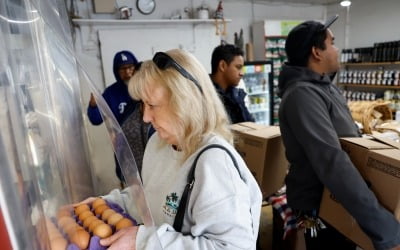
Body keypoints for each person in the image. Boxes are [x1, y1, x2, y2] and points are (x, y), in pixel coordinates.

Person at [80, 49, 262, 249]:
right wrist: (103, 204)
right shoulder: (158, 144)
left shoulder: (214, 164)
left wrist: (145, 241)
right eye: (143, 105)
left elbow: (235, 247)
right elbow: (147, 198)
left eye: (152, 105)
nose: (145, 118)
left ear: (185, 103)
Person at [277, 15, 400, 250]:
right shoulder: (302, 95)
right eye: (332, 43)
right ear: (316, 52)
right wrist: (386, 231)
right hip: (319, 208)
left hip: (338, 201)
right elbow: (332, 162)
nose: (337, 49)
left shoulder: (322, 88)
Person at [87, 50, 147, 182]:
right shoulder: (111, 93)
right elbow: (96, 119)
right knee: (131, 185)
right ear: (116, 71)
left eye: (130, 67)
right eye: (122, 69)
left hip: (146, 145)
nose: (127, 72)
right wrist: (93, 106)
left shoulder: (144, 88)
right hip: (124, 147)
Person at [210, 44, 255, 124]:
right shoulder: (206, 96)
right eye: (238, 67)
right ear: (222, 66)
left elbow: (249, 123)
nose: (242, 73)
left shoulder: (235, 95)